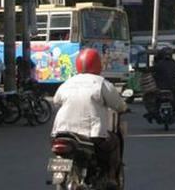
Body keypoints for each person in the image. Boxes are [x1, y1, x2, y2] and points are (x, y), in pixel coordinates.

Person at [51, 48, 127, 188]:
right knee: (114, 140)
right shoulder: (101, 83)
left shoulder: (68, 83)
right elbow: (118, 105)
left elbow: (56, 101)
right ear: (98, 64)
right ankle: (110, 177)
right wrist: (123, 107)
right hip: (92, 133)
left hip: (62, 132)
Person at [152, 48, 175, 112]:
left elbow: (153, 72)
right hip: (171, 87)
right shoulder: (174, 63)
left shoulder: (159, 64)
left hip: (161, 87)